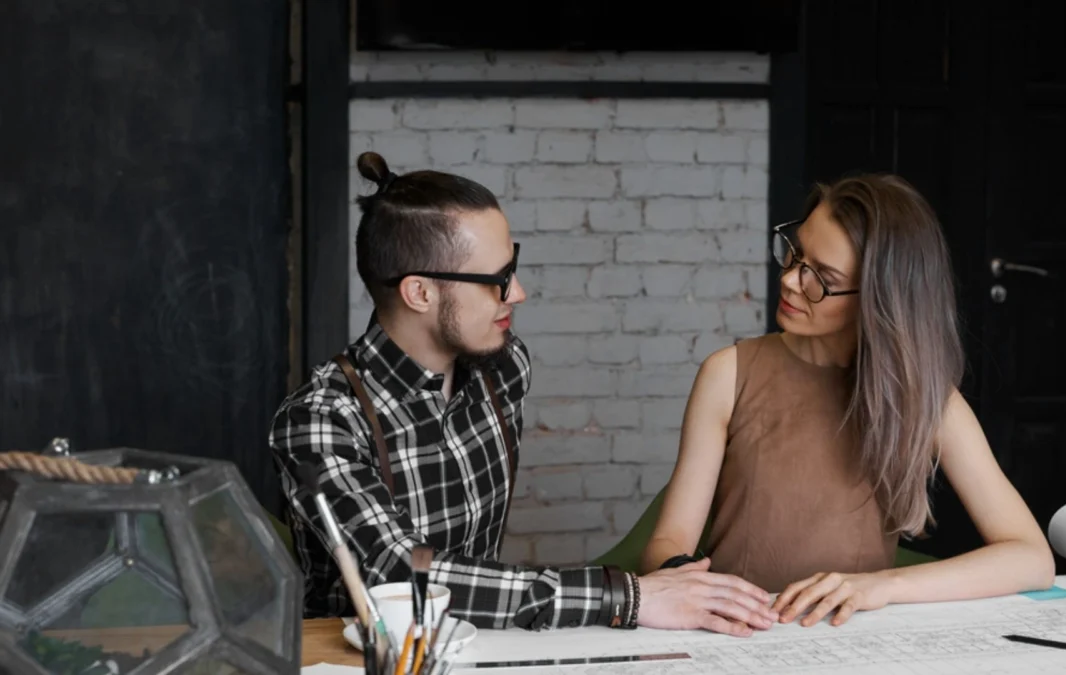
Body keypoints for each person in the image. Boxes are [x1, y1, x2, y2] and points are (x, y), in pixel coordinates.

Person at [269, 151, 779, 636]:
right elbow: (400, 571)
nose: (518, 293)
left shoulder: (502, 368)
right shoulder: (322, 419)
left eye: (512, 267)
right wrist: (628, 597)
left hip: (485, 645)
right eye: (497, 280)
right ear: (419, 292)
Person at [642, 173, 1055, 629]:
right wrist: (684, 580)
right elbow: (667, 540)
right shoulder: (729, 373)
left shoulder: (927, 399)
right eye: (795, 253)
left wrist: (882, 585)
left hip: (848, 640)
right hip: (739, 634)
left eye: (822, 277)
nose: (792, 280)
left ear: (879, 299)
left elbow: (1032, 558)